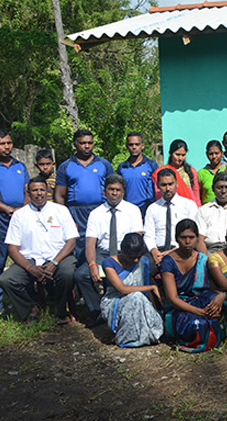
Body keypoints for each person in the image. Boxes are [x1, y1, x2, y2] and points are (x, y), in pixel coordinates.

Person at [0, 177, 77, 322]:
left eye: (42, 189)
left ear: (48, 191)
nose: (39, 193)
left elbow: (71, 241)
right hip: (31, 259)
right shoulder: (19, 215)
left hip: (59, 256)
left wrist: (55, 262)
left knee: (68, 272)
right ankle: (30, 309)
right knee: (7, 279)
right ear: (29, 193)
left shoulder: (60, 210)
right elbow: (12, 248)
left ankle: (60, 310)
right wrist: (29, 268)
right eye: (35, 190)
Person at [76, 174, 144, 327]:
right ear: (104, 191)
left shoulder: (132, 210)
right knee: (82, 275)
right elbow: (90, 244)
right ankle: (97, 310)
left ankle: (126, 309)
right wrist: (92, 264)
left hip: (125, 254)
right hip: (103, 253)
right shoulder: (96, 213)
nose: (114, 193)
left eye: (118, 190)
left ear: (123, 192)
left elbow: (137, 238)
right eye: (111, 189)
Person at [160, 219, 224, 353]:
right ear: (177, 239)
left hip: (200, 299)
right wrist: (200, 312)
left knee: (219, 303)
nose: (188, 242)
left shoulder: (203, 259)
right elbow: (172, 299)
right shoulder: (168, 261)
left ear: (197, 239)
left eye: (191, 237)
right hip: (180, 305)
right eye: (183, 238)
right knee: (197, 324)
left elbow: (212, 288)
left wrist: (221, 296)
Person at [55, 129, 114, 262]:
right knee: (79, 242)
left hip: (100, 209)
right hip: (76, 211)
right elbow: (59, 194)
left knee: (101, 240)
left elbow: (114, 189)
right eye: (82, 143)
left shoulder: (104, 164)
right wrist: (64, 217)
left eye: (90, 143)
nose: (87, 146)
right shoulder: (66, 166)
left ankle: (103, 273)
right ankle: (79, 275)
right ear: (75, 144)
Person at [100, 233, 164, 348]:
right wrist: (152, 287)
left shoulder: (143, 262)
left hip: (140, 302)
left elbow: (144, 288)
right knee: (136, 296)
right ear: (123, 251)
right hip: (116, 301)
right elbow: (122, 289)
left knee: (139, 299)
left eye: (138, 257)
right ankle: (127, 337)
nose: (135, 261)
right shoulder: (109, 263)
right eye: (131, 257)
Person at [0, 129, 29, 316]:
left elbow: (27, 190)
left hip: (21, 217)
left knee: (26, 255)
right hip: (1, 217)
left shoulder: (20, 166)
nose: (7, 147)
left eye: (9, 143)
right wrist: (8, 209)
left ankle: (28, 298)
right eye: (2, 144)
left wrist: (23, 210)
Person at [144, 168, 199, 266]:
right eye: (164, 185)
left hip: (181, 250)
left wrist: (172, 252)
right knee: (145, 268)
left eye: (170, 184)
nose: (168, 188)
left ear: (177, 184)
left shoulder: (189, 205)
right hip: (158, 251)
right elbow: (149, 235)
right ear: (157, 186)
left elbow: (192, 234)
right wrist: (154, 252)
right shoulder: (152, 208)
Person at [116, 132, 158, 215]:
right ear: (127, 146)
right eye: (131, 145)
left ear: (142, 146)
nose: (134, 147)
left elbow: (157, 188)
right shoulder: (122, 167)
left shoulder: (151, 165)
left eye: (137, 144)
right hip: (127, 210)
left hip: (146, 209)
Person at [152, 139, 201, 207]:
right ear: (170, 153)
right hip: (169, 206)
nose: (180, 158)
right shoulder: (161, 171)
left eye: (183, 155)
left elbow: (196, 193)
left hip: (188, 207)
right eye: (177, 154)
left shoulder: (191, 171)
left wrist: (197, 207)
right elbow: (158, 193)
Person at [196, 140, 227, 205]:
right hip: (207, 210)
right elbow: (197, 195)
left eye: (217, 153)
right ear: (207, 154)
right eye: (211, 154)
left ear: (222, 154)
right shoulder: (201, 173)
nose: (214, 156)